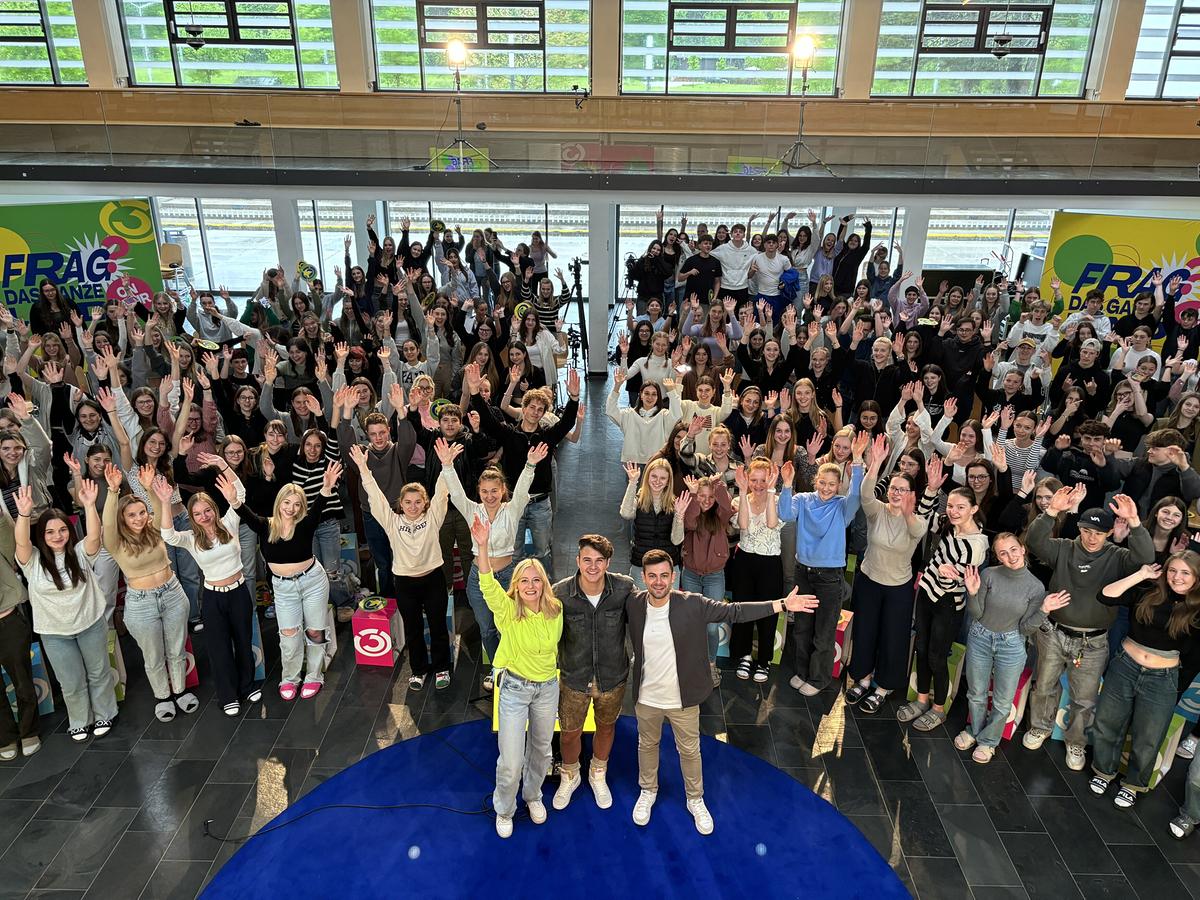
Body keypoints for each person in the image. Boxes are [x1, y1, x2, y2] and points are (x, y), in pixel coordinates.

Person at [627, 549, 818, 834]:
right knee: (647, 745)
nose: (658, 582)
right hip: (646, 698)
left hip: (683, 698)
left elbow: (736, 611)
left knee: (690, 750)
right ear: (643, 578)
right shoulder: (633, 604)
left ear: (673, 577)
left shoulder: (692, 604)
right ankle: (648, 791)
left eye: (664, 576)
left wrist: (782, 604)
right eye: (652, 576)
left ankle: (695, 799)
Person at [1022, 488, 1154, 771]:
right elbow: (1033, 541)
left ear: (1108, 533)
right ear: (1079, 528)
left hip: (1092, 641)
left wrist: (1134, 522)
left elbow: (1145, 556)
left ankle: (1076, 742)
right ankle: (1040, 728)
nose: (1092, 537)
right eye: (1086, 530)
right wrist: (1052, 511)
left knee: (1084, 699)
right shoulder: (1064, 547)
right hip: (1054, 632)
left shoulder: (1118, 556)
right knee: (1044, 685)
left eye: (1099, 532)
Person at [472, 513, 562, 839]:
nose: (530, 585)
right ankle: (505, 809)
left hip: (548, 689)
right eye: (524, 580)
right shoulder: (508, 610)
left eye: (535, 579)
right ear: (516, 586)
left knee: (541, 752)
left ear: (544, 584)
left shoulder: (557, 611)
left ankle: (533, 796)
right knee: (510, 762)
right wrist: (482, 546)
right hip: (513, 689)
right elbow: (486, 582)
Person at [1090, 553, 1200, 807]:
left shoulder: (1196, 610)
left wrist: (1176, 687)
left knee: (1148, 736)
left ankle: (1134, 784)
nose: (1177, 577)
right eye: (1173, 570)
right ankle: (1104, 771)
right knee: (1107, 721)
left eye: (1185, 573)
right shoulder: (1148, 591)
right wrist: (1141, 575)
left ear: (1196, 578)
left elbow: (1196, 657)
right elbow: (1105, 595)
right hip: (1125, 666)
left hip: (1163, 678)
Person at [436, 438, 543, 693]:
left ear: (502, 490)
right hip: (479, 579)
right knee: (487, 630)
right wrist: (447, 466)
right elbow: (457, 492)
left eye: (494, 491)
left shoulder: (513, 508)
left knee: (509, 627)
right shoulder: (471, 509)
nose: (489, 496)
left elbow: (522, 489)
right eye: (484, 491)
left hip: (508, 577)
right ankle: (498, 667)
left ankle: (514, 666)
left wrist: (530, 465)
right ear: (479, 491)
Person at [13, 483, 117, 741]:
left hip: (90, 624)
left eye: (62, 530)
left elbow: (94, 536)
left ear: (69, 531)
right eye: (50, 532)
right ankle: (80, 720)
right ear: (42, 536)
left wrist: (90, 505)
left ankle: (105, 713)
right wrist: (24, 515)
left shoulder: (80, 553)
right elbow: (20, 541)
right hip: (54, 632)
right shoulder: (32, 560)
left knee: (99, 672)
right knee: (70, 682)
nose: (57, 536)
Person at [97, 463, 198, 723]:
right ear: (123, 519)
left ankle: (180, 691)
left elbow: (157, 508)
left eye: (141, 512)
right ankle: (163, 696)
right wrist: (112, 491)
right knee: (153, 655)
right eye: (132, 515)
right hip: (141, 603)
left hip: (172, 593)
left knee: (176, 648)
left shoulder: (155, 530)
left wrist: (147, 487)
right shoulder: (116, 542)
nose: (139, 518)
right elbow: (107, 524)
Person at [350, 442, 454, 692]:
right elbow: (375, 497)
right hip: (406, 583)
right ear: (401, 504)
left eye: (418, 502)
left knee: (438, 625)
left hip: (433, 580)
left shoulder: (433, 518)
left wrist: (446, 464)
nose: (413, 506)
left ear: (425, 503)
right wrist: (364, 469)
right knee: (413, 628)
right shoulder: (392, 521)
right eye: (408, 502)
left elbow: (442, 492)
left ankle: (441, 668)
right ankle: (418, 670)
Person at [156, 466, 260, 717]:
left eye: (207, 511)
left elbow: (241, 495)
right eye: (197, 513)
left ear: (214, 510)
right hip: (213, 597)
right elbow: (168, 535)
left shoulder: (229, 523)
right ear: (192, 517)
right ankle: (227, 695)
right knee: (219, 648)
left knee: (244, 640)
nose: (204, 516)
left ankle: (247, 686)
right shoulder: (191, 538)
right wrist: (164, 502)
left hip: (238, 592)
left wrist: (225, 468)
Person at [234, 460, 342, 701]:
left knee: (315, 632)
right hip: (283, 588)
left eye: (296, 504)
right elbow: (244, 512)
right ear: (279, 502)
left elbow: (321, 503)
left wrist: (326, 487)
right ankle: (290, 678)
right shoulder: (265, 525)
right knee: (289, 635)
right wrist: (233, 498)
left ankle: (314, 677)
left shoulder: (306, 523)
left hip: (313, 582)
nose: (291, 508)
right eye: (286, 502)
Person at [957, 536, 1069, 763]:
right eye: (1003, 553)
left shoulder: (1036, 587)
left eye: (1014, 549)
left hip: (1012, 643)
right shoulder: (989, 575)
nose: (1010, 556)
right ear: (997, 556)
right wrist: (971, 592)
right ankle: (975, 731)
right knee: (976, 693)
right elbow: (976, 614)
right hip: (980, 636)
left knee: (1002, 701)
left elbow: (1026, 629)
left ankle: (989, 742)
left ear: (1023, 549)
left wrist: (1044, 609)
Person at [778, 429, 868, 696]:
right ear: (816, 481)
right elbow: (784, 514)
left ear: (838, 485)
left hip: (829, 576)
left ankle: (818, 679)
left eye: (833, 484)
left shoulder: (843, 506)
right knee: (802, 627)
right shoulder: (802, 500)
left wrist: (859, 460)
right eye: (823, 482)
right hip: (803, 572)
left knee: (824, 630)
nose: (827, 488)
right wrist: (785, 484)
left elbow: (856, 496)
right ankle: (803, 671)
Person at [845, 435, 931, 714]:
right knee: (866, 631)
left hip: (898, 589)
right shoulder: (876, 511)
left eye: (902, 489)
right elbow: (865, 494)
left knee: (892, 637)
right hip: (869, 580)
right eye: (893, 488)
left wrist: (907, 513)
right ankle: (863, 678)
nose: (895, 493)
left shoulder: (916, 520)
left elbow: (918, 532)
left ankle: (882, 687)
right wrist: (876, 463)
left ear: (911, 494)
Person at [551, 534, 636, 811]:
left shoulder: (624, 588)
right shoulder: (560, 593)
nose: (592, 566)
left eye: (599, 561)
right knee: (568, 733)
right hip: (574, 678)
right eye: (587, 560)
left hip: (613, 678)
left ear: (608, 563)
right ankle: (570, 774)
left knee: (607, 727)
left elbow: (649, 612)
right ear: (577, 560)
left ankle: (598, 772)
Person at [899, 479, 989, 731]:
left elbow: (952, 581)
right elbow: (923, 519)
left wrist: (938, 568)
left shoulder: (977, 544)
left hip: (948, 604)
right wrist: (930, 490)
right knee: (922, 649)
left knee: (938, 657)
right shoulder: (949, 526)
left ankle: (938, 709)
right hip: (927, 594)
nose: (953, 511)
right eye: (950, 506)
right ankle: (921, 700)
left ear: (973, 508)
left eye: (961, 507)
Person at [729, 459, 786, 682]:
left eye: (764, 480)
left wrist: (771, 491)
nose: (758, 484)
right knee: (743, 610)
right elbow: (743, 525)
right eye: (754, 479)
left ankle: (764, 660)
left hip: (770, 563)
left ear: (771, 478)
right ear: (747, 479)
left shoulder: (780, 500)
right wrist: (743, 492)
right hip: (744, 561)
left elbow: (772, 523)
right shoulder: (738, 499)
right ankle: (744, 654)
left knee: (768, 613)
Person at [0, 514, 38, 759]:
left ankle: (28, 730)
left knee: (21, 678)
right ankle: (5, 736)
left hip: (7, 617)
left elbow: (10, 546)